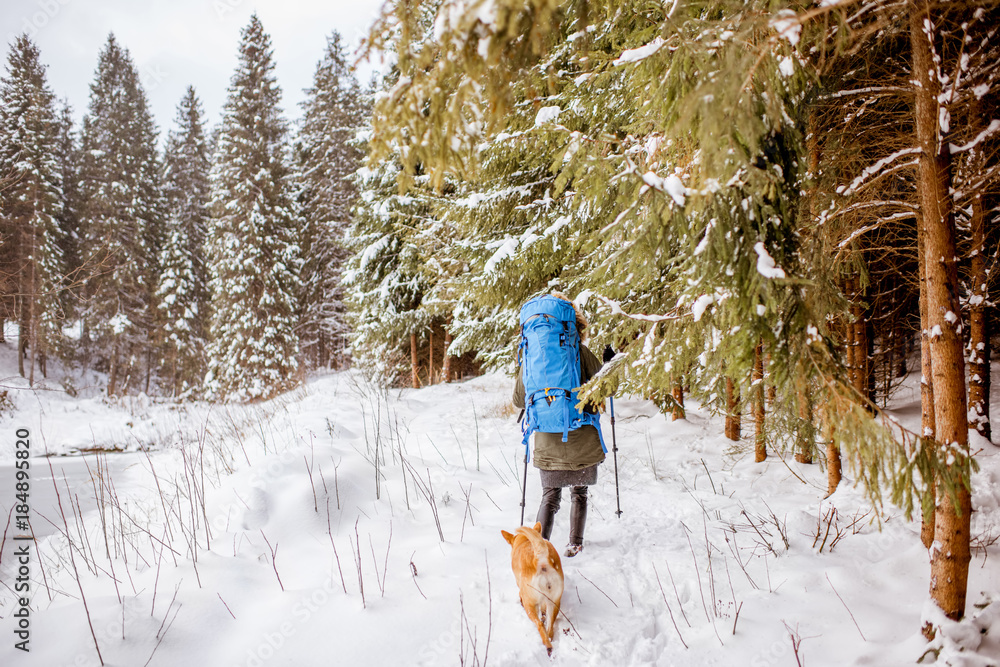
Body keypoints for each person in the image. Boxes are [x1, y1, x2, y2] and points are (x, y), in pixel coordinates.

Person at [513, 293, 604, 557]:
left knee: (549, 496)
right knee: (580, 492)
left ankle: (539, 549)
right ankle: (575, 543)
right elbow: (605, 388)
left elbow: (519, 399)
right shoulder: (580, 352)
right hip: (582, 437)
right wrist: (608, 365)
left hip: (547, 441)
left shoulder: (531, 357)